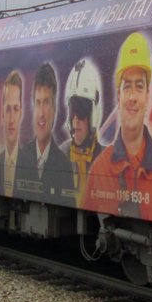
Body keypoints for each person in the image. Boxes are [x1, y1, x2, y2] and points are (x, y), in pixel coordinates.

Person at [81, 32, 152, 224]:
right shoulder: (100, 170)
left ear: (148, 96)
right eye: (127, 87)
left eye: (139, 87)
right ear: (119, 96)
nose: (132, 97)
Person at [18, 62, 72, 202]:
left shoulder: (65, 165)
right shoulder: (21, 158)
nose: (41, 113)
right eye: (38, 102)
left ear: (54, 109)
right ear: (33, 107)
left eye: (47, 102)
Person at [59, 57, 104, 204]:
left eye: (82, 110)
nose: (75, 120)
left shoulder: (106, 160)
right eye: (72, 111)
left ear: (93, 114)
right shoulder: (60, 155)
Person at [0, 71, 24, 196]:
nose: (12, 119)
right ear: (2, 113)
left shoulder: (32, 165)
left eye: (16, 109)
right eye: (8, 109)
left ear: (21, 113)